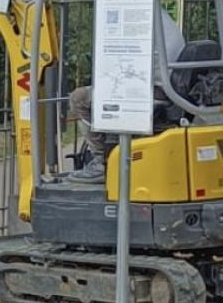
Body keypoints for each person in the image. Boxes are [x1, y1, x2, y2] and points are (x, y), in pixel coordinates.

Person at [67, 10, 185, 183]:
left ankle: (102, 161)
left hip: (148, 91)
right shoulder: (161, 18)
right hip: (163, 88)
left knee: (79, 98)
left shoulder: (136, 15)